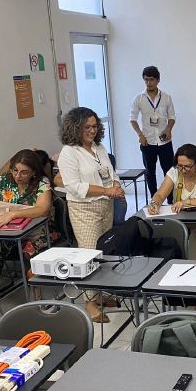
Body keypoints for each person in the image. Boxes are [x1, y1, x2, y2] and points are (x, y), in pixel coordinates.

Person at [58, 107, 125, 323]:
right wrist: (107, 190)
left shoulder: (99, 147)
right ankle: (89, 302)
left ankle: (100, 294)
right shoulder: (69, 152)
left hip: (106, 206)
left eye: (95, 126)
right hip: (84, 209)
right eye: (86, 127)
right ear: (75, 128)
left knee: (103, 251)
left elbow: (111, 173)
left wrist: (116, 185)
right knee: (88, 255)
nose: (92, 130)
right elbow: (75, 186)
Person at [0, 149, 55, 311]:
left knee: (31, 249)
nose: (18, 176)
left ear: (33, 172)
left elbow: (42, 209)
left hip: (37, 231)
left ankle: (36, 295)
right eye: (15, 170)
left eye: (24, 172)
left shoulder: (42, 183)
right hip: (7, 231)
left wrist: (12, 214)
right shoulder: (3, 180)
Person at [130, 66, 176, 199]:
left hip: (164, 141)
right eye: (146, 80)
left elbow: (172, 117)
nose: (148, 83)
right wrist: (140, 135)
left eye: (151, 79)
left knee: (169, 172)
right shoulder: (138, 98)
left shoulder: (166, 97)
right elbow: (132, 119)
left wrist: (168, 129)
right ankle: (154, 200)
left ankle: (170, 200)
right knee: (150, 173)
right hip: (147, 142)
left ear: (158, 80)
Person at [148, 144, 196, 213]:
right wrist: (155, 203)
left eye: (187, 166)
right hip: (180, 217)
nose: (183, 170)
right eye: (180, 166)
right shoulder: (174, 171)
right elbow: (160, 195)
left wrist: (186, 202)